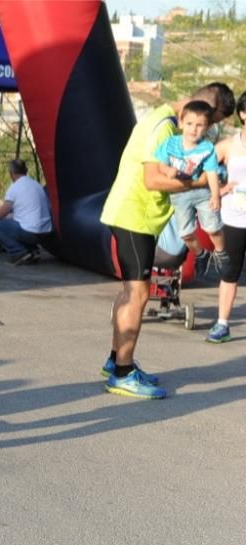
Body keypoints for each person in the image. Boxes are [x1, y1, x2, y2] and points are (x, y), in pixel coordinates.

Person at [100, 82, 235, 399]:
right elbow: (152, 180)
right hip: (136, 215)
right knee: (138, 293)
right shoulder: (163, 127)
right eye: (209, 121)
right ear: (201, 107)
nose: (205, 130)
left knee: (130, 292)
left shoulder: (167, 122)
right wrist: (202, 181)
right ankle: (122, 372)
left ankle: (116, 360)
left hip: (134, 214)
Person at [155, 100, 228, 278]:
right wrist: (168, 170)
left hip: (201, 193)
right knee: (185, 233)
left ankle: (220, 253)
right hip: (179, 195)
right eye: (189, 124)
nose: (193, 129)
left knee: (213, 227)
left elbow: (211, 173)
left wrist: (216, 196)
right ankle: (201, 254)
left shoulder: (207, 148)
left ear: (207, 127)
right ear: (181, 122)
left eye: (199, 125)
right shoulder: (170, 143)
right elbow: (160, 165)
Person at [206, 91, 246, 343]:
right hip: (233, 219)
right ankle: (222, 324)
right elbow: (201, 177)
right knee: (230, 272)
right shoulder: (229, 145)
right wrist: (220, 192)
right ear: (243, 113)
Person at [0, 158, 52, 265]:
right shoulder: (36, 185)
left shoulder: (14, 188)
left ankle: (19, 252)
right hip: (45, 234)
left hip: (29, 233)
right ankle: (32, 250)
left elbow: (1, 214)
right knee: (14, 223)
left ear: (11, 173)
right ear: (26, 171)